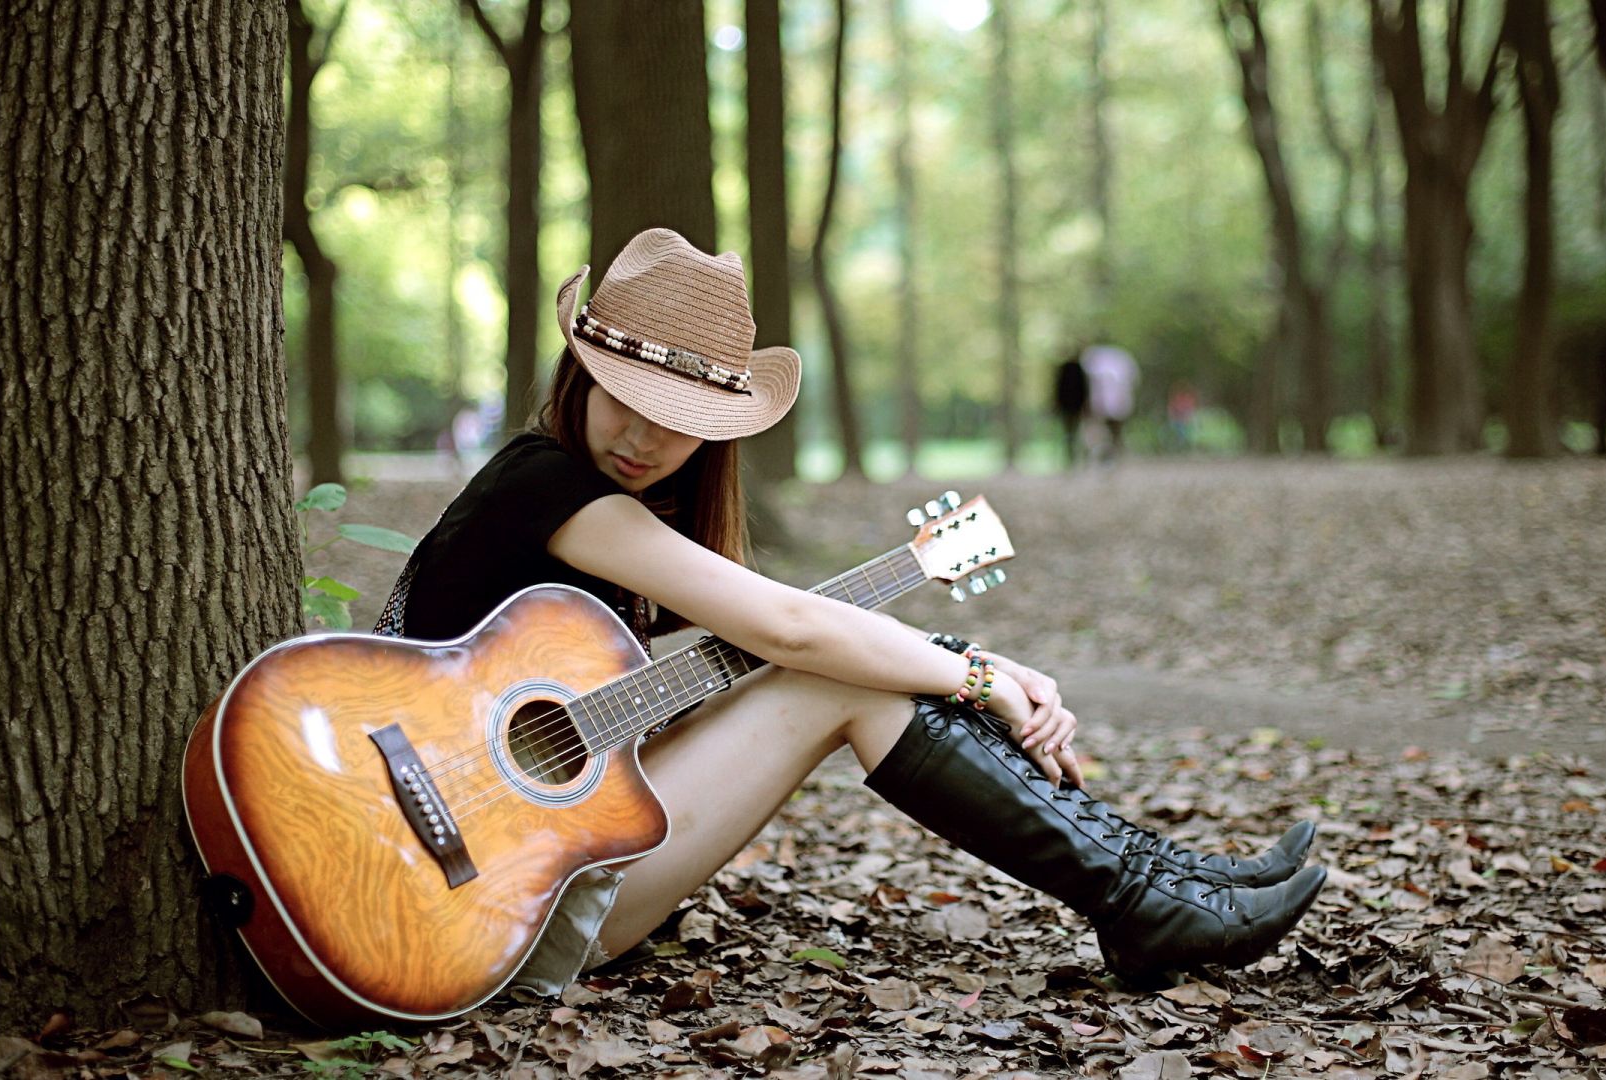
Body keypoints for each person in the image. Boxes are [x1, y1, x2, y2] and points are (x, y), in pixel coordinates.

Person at [378, 229, 1326, 996]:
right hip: (485, 902)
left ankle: (1163, 884)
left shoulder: (598, 512)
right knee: (837, 679)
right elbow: (788, 631)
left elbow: (740, 649)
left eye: (679, 416)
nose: (645, 434)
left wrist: (953, 655)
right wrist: (983, 675)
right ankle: (1144, 900)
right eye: (625, 398)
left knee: (861, 668)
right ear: (581, 374)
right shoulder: (548, 485)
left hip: (522, 856)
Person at [1081, 340, 1139, 464]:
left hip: (1111, 405)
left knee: (1110, 432)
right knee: (1103, 433)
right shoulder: (1118, 359)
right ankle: (1106, 456)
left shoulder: (1096, 360)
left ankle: (1111, 457)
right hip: (1106, 405)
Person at [1052, 353, 1090, 469]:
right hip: (1072, 406)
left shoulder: (1071, 369)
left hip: (1071, 406)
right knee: (1072, 432)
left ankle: (1073, 457)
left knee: (1071, 432)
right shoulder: (1077, 369)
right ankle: (1072, 457)